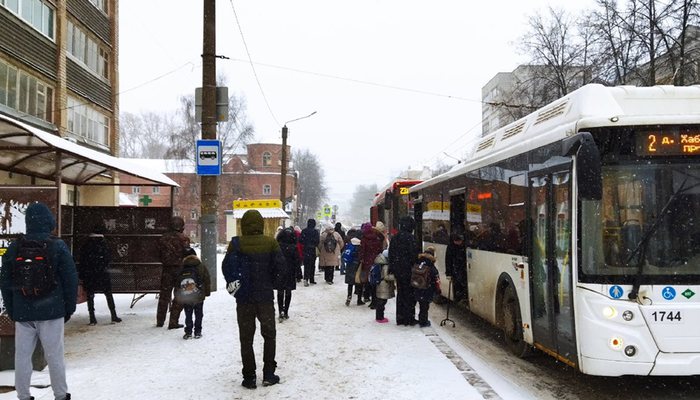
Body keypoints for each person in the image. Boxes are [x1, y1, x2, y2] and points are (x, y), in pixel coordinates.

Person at [0, 202, 77, 400]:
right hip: (51, 311)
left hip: (23, 312)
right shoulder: (57, 245)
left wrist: (13, 309)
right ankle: (60, 395)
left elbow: (5, 280)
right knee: (54, 356)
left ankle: (24, 395)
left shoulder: (16, 246)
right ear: (49, 221)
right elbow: (70, 279)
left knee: (22, 356)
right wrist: (68, 308)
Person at [222, 210, 286, 389]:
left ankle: (249, 377)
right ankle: (268, 374)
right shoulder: (270, 242)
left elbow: (226, 268)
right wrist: (271, 282)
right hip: (264, 297)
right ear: (260, 224)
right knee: (269, 335)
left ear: (244, 225)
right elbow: (281, 268)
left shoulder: (236, 244)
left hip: (244, 299)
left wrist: (237, 286)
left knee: (246, 338)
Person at [78, 224, 121, 325]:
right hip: (103, 273)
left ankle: (92, 318)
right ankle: (113, 315)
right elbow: (108, 258)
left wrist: (83, 274)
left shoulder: (86, 244)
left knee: (90, 295)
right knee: (108, 293)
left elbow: (82, 260)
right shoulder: (104, 243)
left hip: (90, 274)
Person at [156, 216, 190, 329]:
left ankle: (160, 320)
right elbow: (187, 255)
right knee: (179, 296)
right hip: (180, 270)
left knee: (164, 296)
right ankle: (173, 322)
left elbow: (158, 254)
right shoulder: (184, 238)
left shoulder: (163, 238)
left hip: (166, 270)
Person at [389, 216, 419, 326]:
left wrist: (393, 268)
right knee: (410, 295)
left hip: (398, 270)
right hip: (408, 271)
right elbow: (414, 256)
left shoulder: (395, 238)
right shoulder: (411, 238)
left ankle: (400, 317)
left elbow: (391, 254)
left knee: (401, 293)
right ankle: (409, 318)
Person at [178, 248, 211, 339]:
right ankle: (198, 331)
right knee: (199, 313)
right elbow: (207, 279)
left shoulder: (182, 266)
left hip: (186, 295)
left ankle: (188, 331)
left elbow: (177, 281)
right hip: (198, 294)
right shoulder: (200, 266)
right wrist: (207, 292)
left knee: (188, 314)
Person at [359, 222, 386, 308]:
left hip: (366, 262)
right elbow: (380, 250)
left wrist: (361, 259)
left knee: (366, 280)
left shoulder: (364, 239)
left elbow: (362, 251)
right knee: (374, 281)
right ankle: (374, 300)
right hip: (375, 262)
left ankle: (367, 296)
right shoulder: (377, 238)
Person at [276, 227, 300, 321]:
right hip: (290, 271)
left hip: (279, 271)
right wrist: (298, 273)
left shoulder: (278, 247)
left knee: (280, 291)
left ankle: (280, 310)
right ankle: (286, 311)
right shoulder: (293, 248)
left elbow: (274, 260)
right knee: (288, 291)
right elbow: (297, 262)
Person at [414, 246, 441, 327]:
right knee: (425, 307)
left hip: (418, 287)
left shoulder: (418, 262)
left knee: (421, 305)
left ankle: (418, 319)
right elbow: (435, 278)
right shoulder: (431, 265)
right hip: (427, 289)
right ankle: (423, 322)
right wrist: (437, 290)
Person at [373, 249, 395, 323]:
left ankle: (379, 316)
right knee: (382, 302)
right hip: (384, 285)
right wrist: (395, 277)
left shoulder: (379, 262)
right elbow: (386, 276)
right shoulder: (385, 265)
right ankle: (380, 317)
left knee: (380, 301)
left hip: (380, 284)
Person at [444, 232, 467, 304]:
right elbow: (448, 260)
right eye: (458, 241)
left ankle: (461, 296)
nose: (460, 243)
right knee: (458, 282)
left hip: (461, 267)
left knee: (461, 282)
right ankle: (459, 296)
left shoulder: (462, 246)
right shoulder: (451, 247)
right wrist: (448, 273)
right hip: (456, 268)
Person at [299, 219, 320, 287]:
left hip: (306, 250)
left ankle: (306, 278)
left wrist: (306, 243)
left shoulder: (304, 231)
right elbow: (317, 241)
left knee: (306, 265)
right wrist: (313, 244)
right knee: (312, 265)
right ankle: (312, 279)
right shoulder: (315, 232)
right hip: (312, 250)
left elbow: (300, 240)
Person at [342, 237, 362, 306]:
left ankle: (349, 296)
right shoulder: (359, 247)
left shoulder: (350, 245)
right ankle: (359, 300)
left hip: (349, 265)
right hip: (357, 265)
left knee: (350, 283)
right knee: (358, 282)